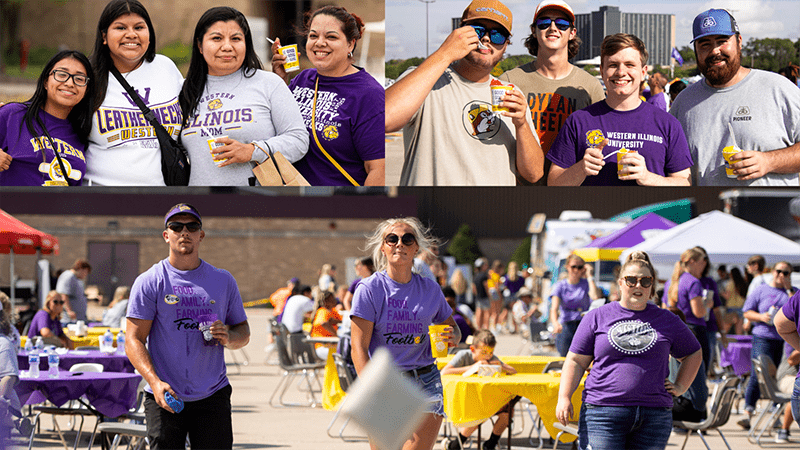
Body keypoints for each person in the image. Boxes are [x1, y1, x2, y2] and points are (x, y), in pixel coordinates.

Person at [126, 203, 250, 449]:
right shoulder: (150, 280)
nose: (184, 232)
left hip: (212, 394)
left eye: (192, 227)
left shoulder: (223, 280)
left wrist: (228, 336)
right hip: (165, 394)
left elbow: (243, 332)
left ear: (201, 235)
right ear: (166, 235)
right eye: (176, 226)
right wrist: (154, 382)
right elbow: (133, 340)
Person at [387, 0, 544, 186]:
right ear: (459, 33)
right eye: (477, 30)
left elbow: (534, 174)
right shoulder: (426, 80)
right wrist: (445, 53)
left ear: (506, 45)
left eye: (497, 35)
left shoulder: (511, 93)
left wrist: (522, 124)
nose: (486, 38)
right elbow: (384, 118)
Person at [556, 252, 702, 450]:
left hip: (654, 415)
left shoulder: (667, 319)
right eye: (631, 280)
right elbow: (575, 361)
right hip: (603, 413)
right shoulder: (597, 316)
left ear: (652, 285)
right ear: (620, 283)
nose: (638, 286)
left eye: (645, 281)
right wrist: (564, 397)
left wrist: (680, 386)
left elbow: (693, 353)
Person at [351, 217, 460, 450]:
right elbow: (358, 347)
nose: (399, 243)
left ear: (416, 248)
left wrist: (454, 337)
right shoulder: (369, 289)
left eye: (407, 239)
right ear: (383, 247)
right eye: (392, 239)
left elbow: (454, 329)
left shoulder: (430, 289)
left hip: (426, 381)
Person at [669, 9, 800, 186]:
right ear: (696, 50)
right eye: (705, 44)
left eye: (722, 41)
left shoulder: (779, 89)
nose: (715, 51)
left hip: (772, 203)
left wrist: (770, 161)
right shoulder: (683, 103)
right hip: (709, 203)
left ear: (739, 42)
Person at [179, 6, 308, 186]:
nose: (227, 47)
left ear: (246, 44)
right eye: (216, 38)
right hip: (201, 198)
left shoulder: (269, 83)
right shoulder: (183, 90)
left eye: (236, 38)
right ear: (200, 46)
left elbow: (299, 140)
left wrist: (253, 151)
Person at [547, 33, 692, 186]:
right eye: (613, 65)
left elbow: (685, 182)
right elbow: (553, 183)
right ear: (602, 71)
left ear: (643, 72)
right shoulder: (578, 121)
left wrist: (648, 177)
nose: (621, 72)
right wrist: (581, 169)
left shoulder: (668, 123)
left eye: (630, 65)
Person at [271, 5, 385, 186]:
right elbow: (275, 129)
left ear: (350, 44)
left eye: (331, 37)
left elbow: (378, 169)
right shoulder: (302, 79)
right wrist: (279, 81)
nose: (319, 43)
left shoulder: (369, 94)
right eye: (313, 36)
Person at [500, 0, 604, 185]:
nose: (553, 28)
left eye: (562, 24)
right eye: (544, 22)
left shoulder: (591, 86)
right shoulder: (509, 80)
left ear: (572, 33)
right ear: (534, 30)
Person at [86, 0, 184, 186]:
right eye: (121, 28)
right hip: (102, 195)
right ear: (104, 36)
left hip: (164, 195)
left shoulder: (166, 68)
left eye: (139, 27)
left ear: (149, 34)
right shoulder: (87, 76)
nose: (131, 34)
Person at [0, 50, 95, 186]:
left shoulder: (82, 133)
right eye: (62, 74)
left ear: (86, 90)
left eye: (79, 79)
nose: (70, 83)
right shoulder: (13, 115)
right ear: (45, 81)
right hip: (12, 200)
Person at [738, 261, 796, 429]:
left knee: (776, 378)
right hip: (763, 336)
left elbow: (796, 310)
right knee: (759, 374)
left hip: (785, 341)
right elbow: (746, 311)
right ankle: (748, 412)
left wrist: (789, 289)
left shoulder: (793, 293)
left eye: (786, 273)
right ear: (772, 272)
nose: (781, 275)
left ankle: (775, 415)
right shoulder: (761, 289)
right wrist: (761, 317)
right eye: (779, 271)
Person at [441, 330, 517, 450]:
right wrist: (472, 367)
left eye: (491, 352)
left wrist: (501, 366)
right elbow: (444, 372)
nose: (488, 356)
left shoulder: (491, 358)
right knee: (478, 414)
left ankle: (490, 444)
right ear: (473, 349)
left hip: (485, 399)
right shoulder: (464, 355)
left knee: (507, 412)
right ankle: (457, 444)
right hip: (463, 400)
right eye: (484, 352)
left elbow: (513, 371)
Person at [666, 248, 710, 371]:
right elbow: (698, 312)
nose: (703, 266)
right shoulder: (694, 282)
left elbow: (665, 307)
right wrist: (707, 305)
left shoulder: (670, 282)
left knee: (677, 373)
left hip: (674, 330)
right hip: (694, 331)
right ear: (692, 262)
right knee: (698, 373)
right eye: (701, 262)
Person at [550, 254, 598, 356]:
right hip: (566, 324)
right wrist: (555, 323)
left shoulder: (586, 284)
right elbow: (554, 308)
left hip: (583, 324)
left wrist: (590, 276)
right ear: (567, 267)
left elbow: (595, 297)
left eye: (580, 267)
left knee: (584, 356)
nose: (576, 270)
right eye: (573, 267)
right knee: (564, 356)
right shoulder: (560, 286)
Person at [775, 301, 800, 431]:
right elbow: (791, 361)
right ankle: (784, 430)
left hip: (795, 377)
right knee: (795, 390)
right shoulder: (793, 335)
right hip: (787, 376)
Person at [310, 290, 342, 361]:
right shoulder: (322, 311)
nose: (334, 300)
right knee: (345, 353)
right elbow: (323, 323)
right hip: (322, 347)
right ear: (326, 301)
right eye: (332, 299)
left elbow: (339, 320)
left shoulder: (332, 311)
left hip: (331, 345)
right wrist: (336, 334)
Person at [56, 258, 91, 322]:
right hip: (70, 319)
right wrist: (69, 311)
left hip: (78, 318)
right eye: (86, 272)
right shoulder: (68, 276)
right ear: (81, 269)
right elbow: (64, 295)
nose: (86, 275)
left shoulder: (77, 279)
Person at [473, 257, 491, 330]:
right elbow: (486, 286)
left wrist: (476, 295)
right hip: (484, 296)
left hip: (478, 297)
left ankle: (479, 327)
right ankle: (486, 328)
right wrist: (489, 295)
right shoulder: (484, 275)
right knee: (487, 312)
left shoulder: (475, 276)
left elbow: (473, 288)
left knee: (479, 312)